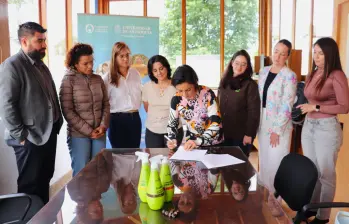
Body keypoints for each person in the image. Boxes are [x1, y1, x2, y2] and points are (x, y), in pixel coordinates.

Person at [0, 22, 63, 204]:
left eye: (44, 40)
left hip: (47, 134)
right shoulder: (12, 66)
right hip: (29, 138)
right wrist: (21, 135)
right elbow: (6, 106)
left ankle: (42, 217)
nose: (44, 45)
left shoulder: (40, 64)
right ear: (24, 41)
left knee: (44, 181)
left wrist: (56, 124)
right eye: (39, 41)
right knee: (30, 186)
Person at [297, 37, 349, 224]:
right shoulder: (314, 73)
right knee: (313, 171)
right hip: (309, 126)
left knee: (326, 174)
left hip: (327, 129)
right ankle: (312, 208)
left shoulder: (337, 75)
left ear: (330, 54)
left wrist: (316, 108)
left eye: (320, 53)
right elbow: (309, 98)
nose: (316, 57)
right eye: (314, 52)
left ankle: (323, 217)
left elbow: (344, 107)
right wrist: (304, 107)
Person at [257, 39, 297, 216]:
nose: (278, 56)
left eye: (283, 53)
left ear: (288, 56)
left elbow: (287, 105)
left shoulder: (290, 75)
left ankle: (277, 201)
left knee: (277, 161)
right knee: (264, 160)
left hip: (279, 125)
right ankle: (265, 194)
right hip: (262, 121)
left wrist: (277, 130)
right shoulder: (263, 71)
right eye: (276, 51)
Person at [59, 43, 110, 176]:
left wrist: (103, 126)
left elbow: (106, 104)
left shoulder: (98, 79)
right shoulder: (68, 80)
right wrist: (89, 131)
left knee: (98, 169)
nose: (90, 66)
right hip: (79, 135)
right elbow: (67, 111)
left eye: (91, 62)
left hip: (99, 133)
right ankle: (80, 198)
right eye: (85, 63)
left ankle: (96, 197)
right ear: (75, 64)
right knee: (81, 172)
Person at [167, 65, 223, 150]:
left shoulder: (207, 94)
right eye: (180, 90)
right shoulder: (176, 99)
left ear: (195, 83)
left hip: (213, 142)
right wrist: (172, 138)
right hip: (191, 143)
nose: (185, 95)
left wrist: (198, 141)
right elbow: (172, 124)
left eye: (188, 90)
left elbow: (216, 123)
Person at [219, 50, 260, 157]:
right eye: (237, 63)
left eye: (243, 64)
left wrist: (249, 134)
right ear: (232, 63)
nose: (239, 67)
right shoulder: (224, 81)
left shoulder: (250, 85)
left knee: (239, 169)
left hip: (241, 136)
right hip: (224, 132)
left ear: (247, 66)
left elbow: (254, 112)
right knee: (225, 167)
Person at [103, 42, 142, 148]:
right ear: (114, 57)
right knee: (119, 156)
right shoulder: (108, 78)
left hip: (135, 119)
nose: (126, 59)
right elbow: (103, 102)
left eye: (127, 55)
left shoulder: (135, 74)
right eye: (122, 56)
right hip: (116, 121)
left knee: (134, 155)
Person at [142, 55, 183, 148]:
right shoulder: (147, 87)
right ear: (151, 72)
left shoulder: (176, 86)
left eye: (161, 68)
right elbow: (147, 108)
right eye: (155, 70)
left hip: (174, 131)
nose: (159, 73)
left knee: (173, 160)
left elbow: (182, 108)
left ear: (167, 68)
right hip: (152, 131)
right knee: (154, 160)